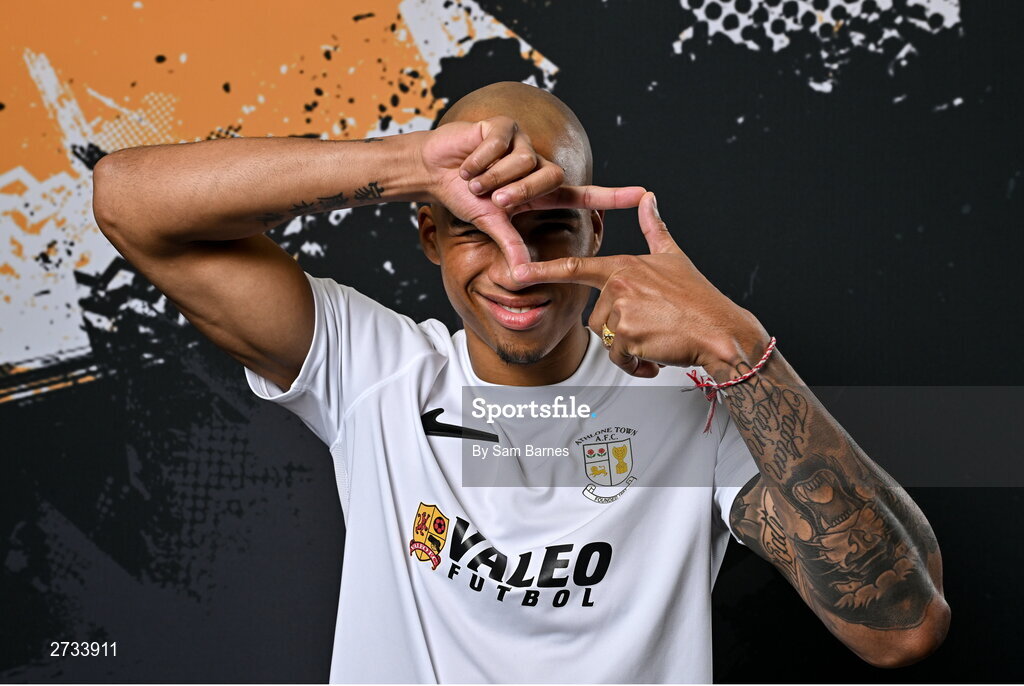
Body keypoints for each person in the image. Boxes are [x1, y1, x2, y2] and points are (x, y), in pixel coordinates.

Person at [92, 81, 949, 682]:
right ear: (427, 234)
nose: (520, 266)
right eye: (478, 227)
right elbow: (128, 201)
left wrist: (738, 346)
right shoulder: (372, 368)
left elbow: (902, 631)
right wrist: (410, 163)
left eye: (549, 229)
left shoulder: (701, 407)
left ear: (595, 228)